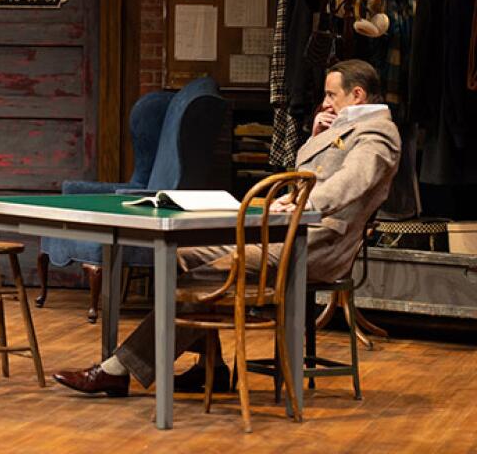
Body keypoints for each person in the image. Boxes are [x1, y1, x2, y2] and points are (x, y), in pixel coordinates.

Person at [54, 59, 401, 396]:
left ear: (357, 95)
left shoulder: (377, 133)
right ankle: (212, 367)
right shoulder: (340, 127)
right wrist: (314, 138)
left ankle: (119, 368)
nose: (325, 103)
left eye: (331, 95)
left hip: (317, 245)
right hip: (283, 235)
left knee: (214, 273)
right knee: (180, 252)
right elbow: (309, 174)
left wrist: (303, 202)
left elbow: (354, 179)